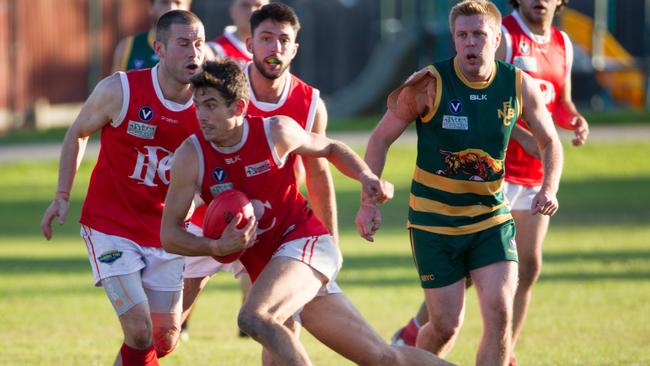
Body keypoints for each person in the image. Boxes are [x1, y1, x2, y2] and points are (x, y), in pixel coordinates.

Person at [160, 59, 451, 366]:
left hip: (306, 244)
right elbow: (170, 234)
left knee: (254, 316)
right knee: (382, 358)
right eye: (197, 106)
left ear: (238, 107)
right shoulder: (191, 156)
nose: (201, 116)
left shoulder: (276, 132)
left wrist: (367, 177)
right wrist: (215, 247)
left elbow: (331, 148)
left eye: (210, 105)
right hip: (273, 270)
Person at [355, 0, 564, 364]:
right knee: (445, 326)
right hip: (434, 222)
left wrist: (549, 188)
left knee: (499, 313)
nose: (470, 43)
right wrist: (368, 201)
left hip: (490, 219)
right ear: (453, 39)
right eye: (462, 35)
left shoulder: (517, 84)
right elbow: (378, 140)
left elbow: (550, 142)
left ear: (497, 38)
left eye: (479, 34)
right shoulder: (428, 84)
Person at [40, 10, 205, 365]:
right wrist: (62, 196)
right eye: (183, 44)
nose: (193, 53)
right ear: (158, 48)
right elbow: (78, 133)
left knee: (163, 339)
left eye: (198, 44)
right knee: (139, 330)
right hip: (110, 227)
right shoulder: (121, 89)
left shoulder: (209, 106)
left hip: (166, 231)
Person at [180, 2, 339, 345]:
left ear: (294, 48)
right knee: (165, 328)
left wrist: (331, 241)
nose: (275, 48)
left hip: (273, 222)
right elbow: (191, 143)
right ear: (250, 43)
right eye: (266, 38)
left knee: (276, 324)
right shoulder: (226, 86)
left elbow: (319, 172)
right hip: (210, 214)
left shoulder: (309, 102)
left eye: (283, 40)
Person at [112, 0, 192, 72]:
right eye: (164, 2)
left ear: (188, 7)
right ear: (151, 7)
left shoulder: (201, 52)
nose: (171, 8)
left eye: (178, 2)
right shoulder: (127, 47)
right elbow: (113, 87)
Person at [208, 0, 269, 66]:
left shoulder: (276, 49)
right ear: (232, 11)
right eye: (245, 5)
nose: (252, 11)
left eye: (258, 5)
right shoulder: (214, 51)